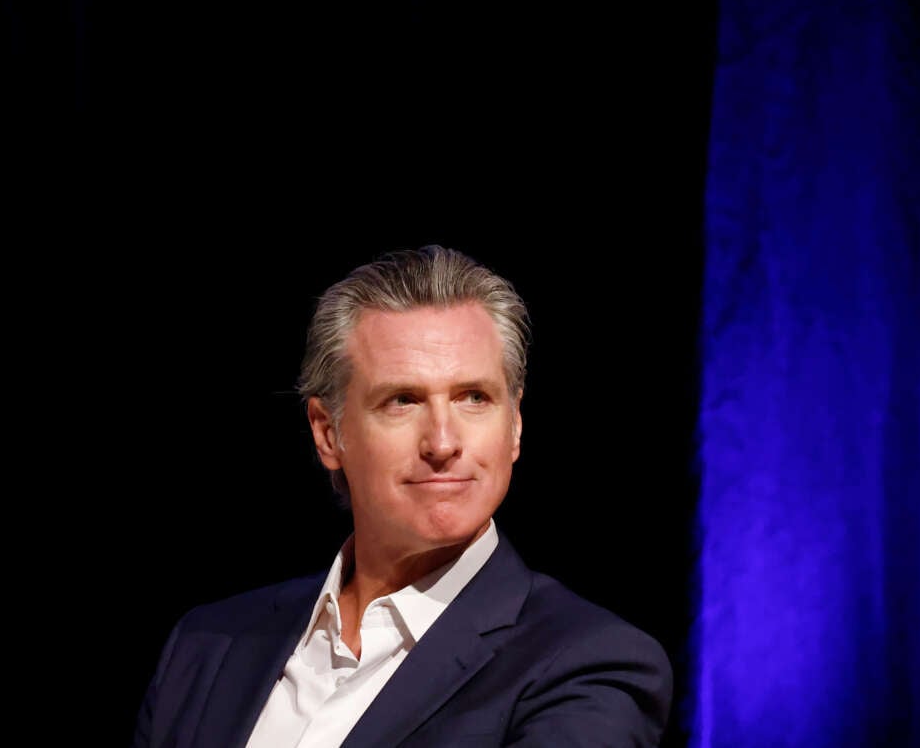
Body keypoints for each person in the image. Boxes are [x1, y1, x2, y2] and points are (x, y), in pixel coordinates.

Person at [131, 245, 672, 747]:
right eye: (402, 401)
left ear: (515, 426)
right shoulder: (204, 645)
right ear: (328, 433)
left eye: (474, 398)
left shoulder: (591, 663)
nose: (442, 442)